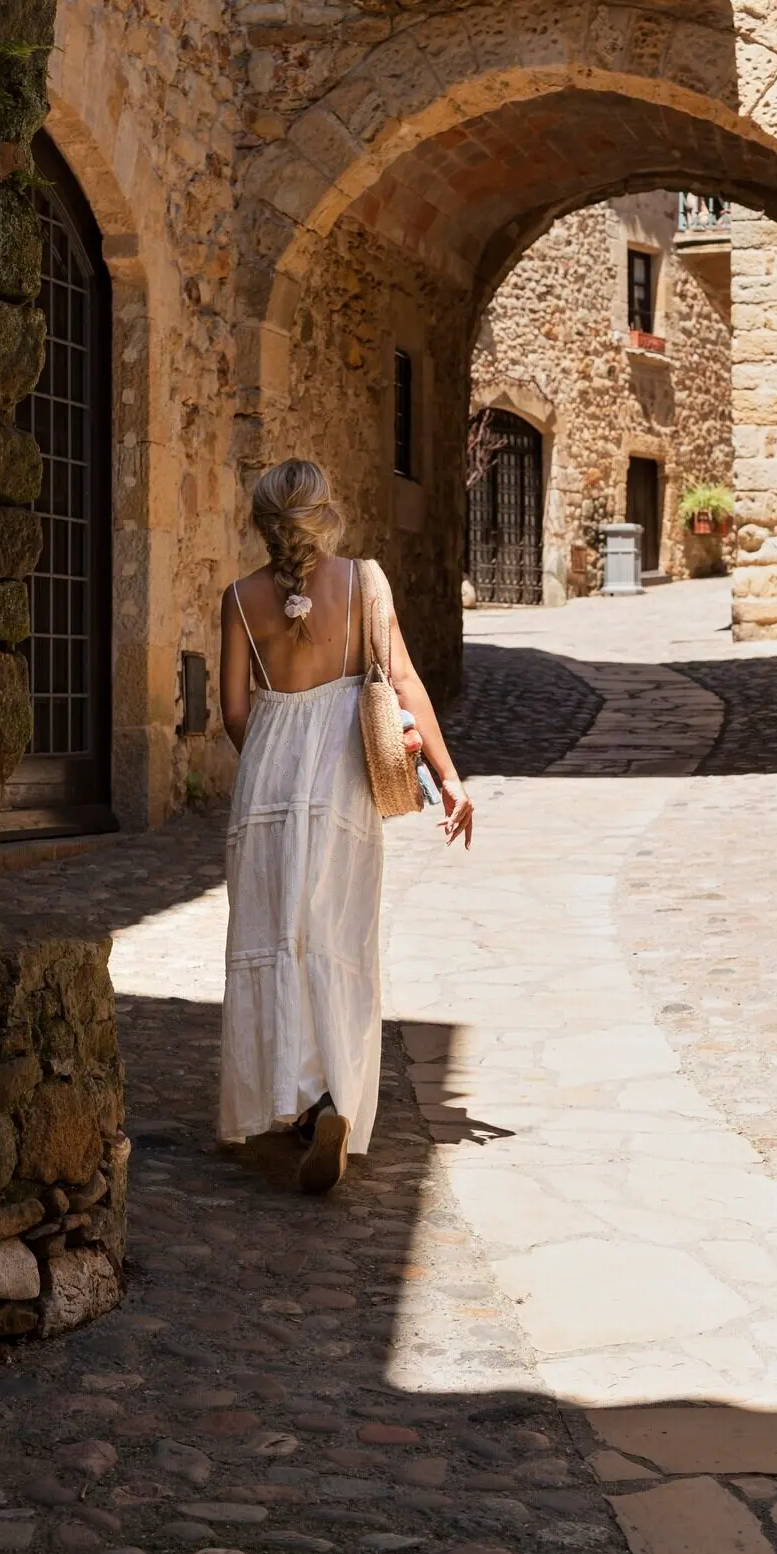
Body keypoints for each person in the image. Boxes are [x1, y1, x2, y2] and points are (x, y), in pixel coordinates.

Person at [218, 458, 474, 1195]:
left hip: (266, 775)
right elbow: (401, 681)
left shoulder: (238, 599)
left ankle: (293, 1102)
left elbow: (235, 713)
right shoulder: (364, 582)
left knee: (273, 936)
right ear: (323, 513)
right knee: (337, 933)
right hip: (343, 778)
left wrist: (273, 758)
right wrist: (450, 779)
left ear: (262, 520)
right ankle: (333, 1097)